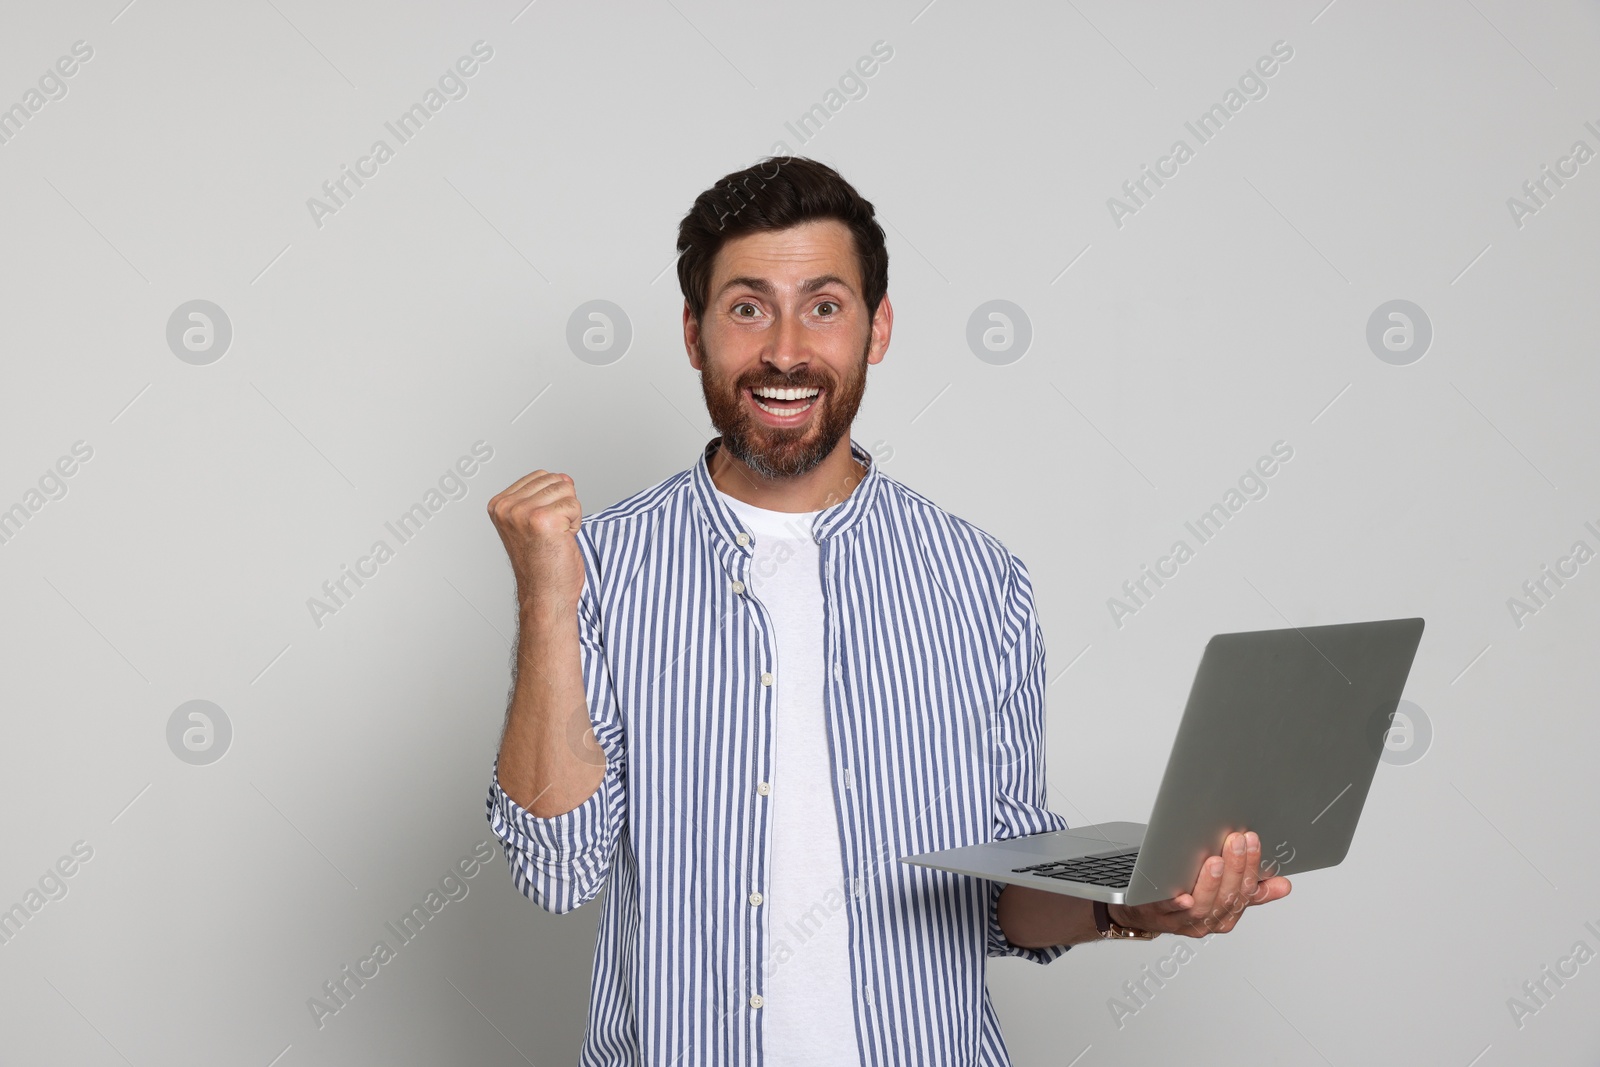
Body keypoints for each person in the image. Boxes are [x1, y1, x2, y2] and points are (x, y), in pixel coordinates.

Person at [483, 156, 1291, 1066]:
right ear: (693, 332)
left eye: (824, 306)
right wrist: (547, 595)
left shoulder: (978, 581)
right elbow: (556, 871)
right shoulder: (603, 567)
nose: (785, 350)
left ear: (878, 328)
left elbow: (1003, 897)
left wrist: (1129, 905)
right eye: (747, 307)